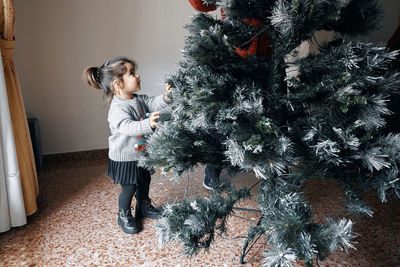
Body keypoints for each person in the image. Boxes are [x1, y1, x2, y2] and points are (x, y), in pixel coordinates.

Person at [83, 57, 171, 234]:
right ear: (117, 84)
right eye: (131, 73)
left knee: (145, 180)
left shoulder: (138, 99)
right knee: (129, 188)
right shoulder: (117, 108)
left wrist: (167, 97)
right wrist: (148, 124)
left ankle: (143, 206)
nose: (138, 75)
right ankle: (123, 214)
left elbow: (154, 102)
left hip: (141, 153)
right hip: (125, 158)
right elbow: (127, 127)